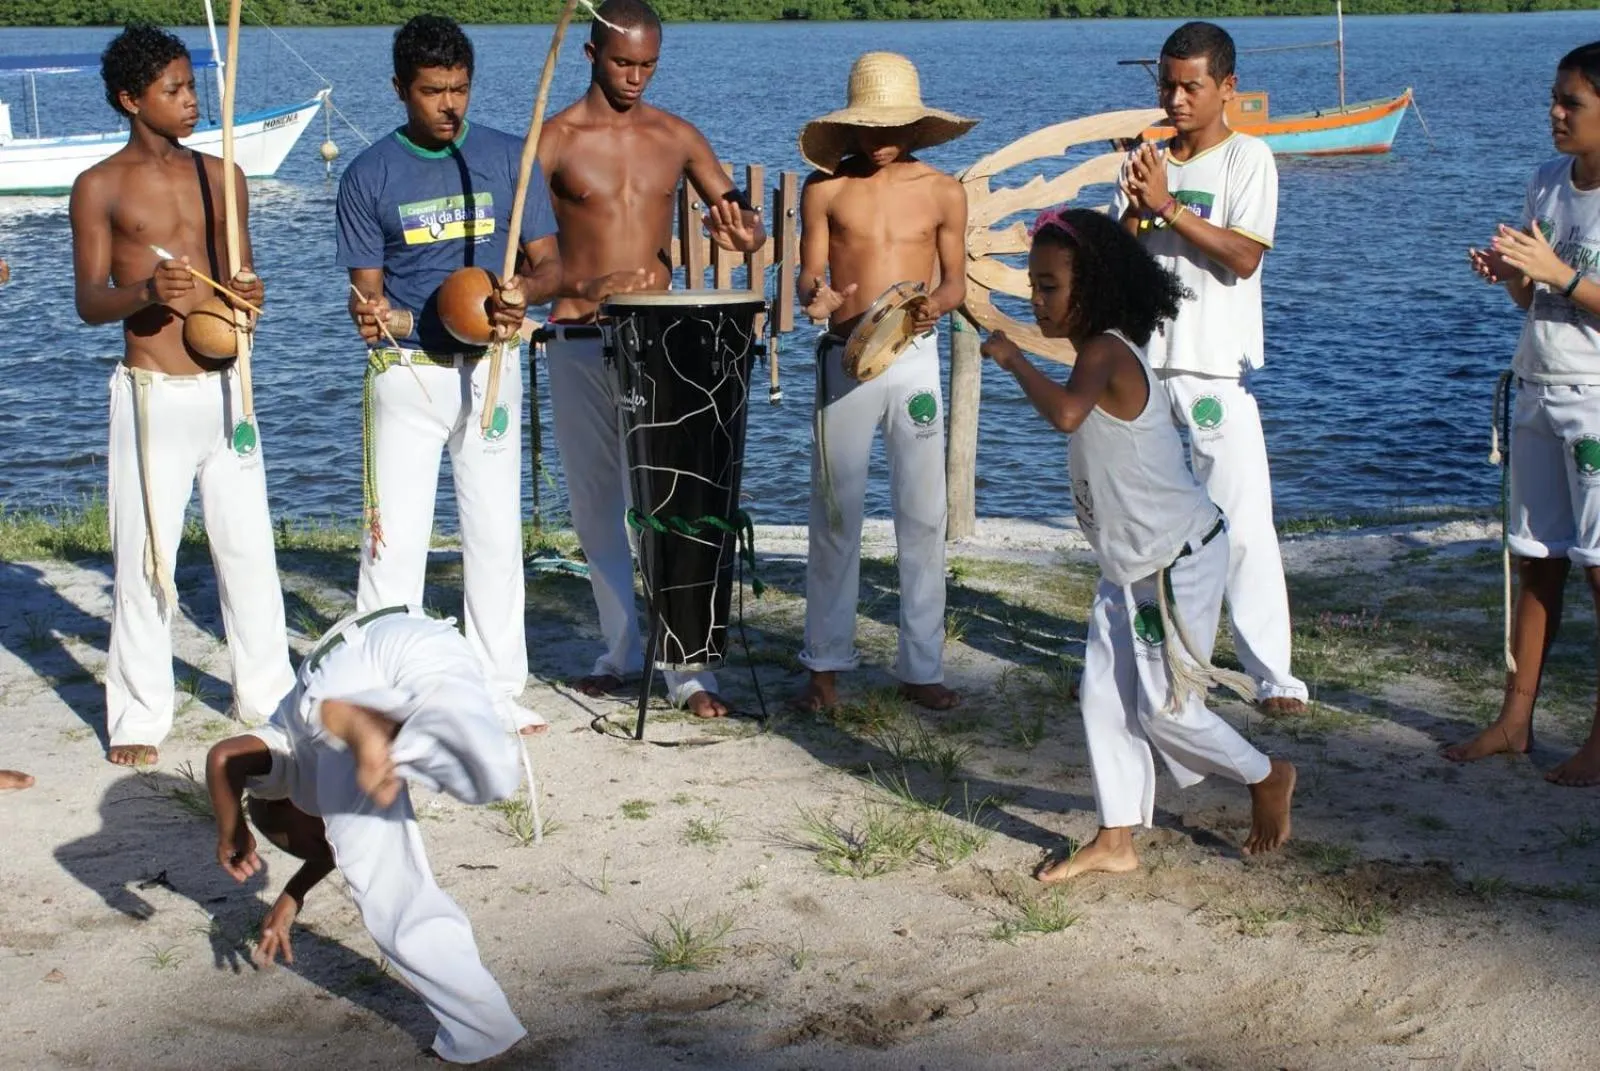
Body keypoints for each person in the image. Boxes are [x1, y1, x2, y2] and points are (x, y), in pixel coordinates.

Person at [982, 206, 1296, 882]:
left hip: (1174, 564)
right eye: (1033, 287)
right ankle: (1116, 837)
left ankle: (1267, 773)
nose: (1036, 300)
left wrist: (1011, 359)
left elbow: (1067, 415)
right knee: (1103, 696)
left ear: (1090, 287)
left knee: (1165, 708)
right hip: (1129, 567)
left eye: (1048, 287)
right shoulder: (1095, 352)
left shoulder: (1105, 352)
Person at [70, 22, 294, 767]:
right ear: (131, 99)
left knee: (249, 551)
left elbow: (245, 281)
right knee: (146, 555)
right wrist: (143, 290)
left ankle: (267, 698)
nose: (191, 100)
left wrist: (250, 294)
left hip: (230, 390)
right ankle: (139, 713)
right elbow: (89, 301)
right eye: (173, 90)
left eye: (193, 86)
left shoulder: (222, 175)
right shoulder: (99, 186)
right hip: (152, 393)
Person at [536, 0, 765, 717]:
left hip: (661, 342)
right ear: (591, 56)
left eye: (647, 65)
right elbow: (523, 256)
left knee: (668, 499)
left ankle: (688, 669)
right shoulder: (552, 140)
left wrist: (742, 230)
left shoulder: (677, 136)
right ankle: (618, 649)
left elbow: (745, 227)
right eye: (622, 63)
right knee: (596, 505)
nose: (635, 77)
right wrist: (588, 285)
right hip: (577, 336)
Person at [338, 15, 560, 734]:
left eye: (460, 89)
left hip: (491, 368)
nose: (449, 106)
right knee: (393, 544)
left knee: (493, 537)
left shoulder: (505, 157)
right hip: (408, 374)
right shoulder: (368, 173)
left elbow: (550, 261)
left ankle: (496, 689)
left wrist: (529, 291)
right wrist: (372, 315)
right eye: (433, 91)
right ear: (400, 88)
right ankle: (380, 692)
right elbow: (365, 293)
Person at [205, 605, 528, 1063]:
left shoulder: (281, 759)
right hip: (414, 637)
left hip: (333, 692)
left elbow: (223, 757)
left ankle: (484, 1028)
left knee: (390, 887)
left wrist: (231, 830)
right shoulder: (300, 780)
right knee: (493, 774)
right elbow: (328, 851)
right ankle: (400, 733)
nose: (327, 844)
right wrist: (291, 896)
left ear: (282, 808)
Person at [1111, 21, 1308, 717]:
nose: (1176, 99)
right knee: (1149, 524)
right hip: (1147, 368)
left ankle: (1273, 673)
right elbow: (1122, 262)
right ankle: (1166, 654)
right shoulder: (1145, 161)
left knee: (1243, 522)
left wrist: (1166, 205)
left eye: (1191, 85)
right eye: (1166, 83)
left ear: (1227, 87)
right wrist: (1139, 211)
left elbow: (1244, 256)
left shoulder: (1248, 160)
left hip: (1216, 369)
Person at [790, 51, 972, 715]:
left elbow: (954, 278)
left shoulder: (944, 191)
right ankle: (824, 664)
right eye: (868, 125)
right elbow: (809, 275)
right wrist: (816, 295)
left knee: (923, 516)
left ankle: (921, 664)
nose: (880, 137)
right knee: (835, 515)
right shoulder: (825, 191)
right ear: (849, 127)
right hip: (845, 360)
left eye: (893, 124)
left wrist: (938, 304)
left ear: (919, 125)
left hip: (915, 357)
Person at [1448, 41, 1600, 786]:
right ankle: (1515, 720)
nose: (1555, 112)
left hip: (1596, 401)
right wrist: (1513, 277)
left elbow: (1568, 282)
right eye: (1554, 97)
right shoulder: (1546, 183)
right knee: (1534, 554)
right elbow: (1538, 296)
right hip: (1536, 382)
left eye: (1571, 102)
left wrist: (1561, 274)